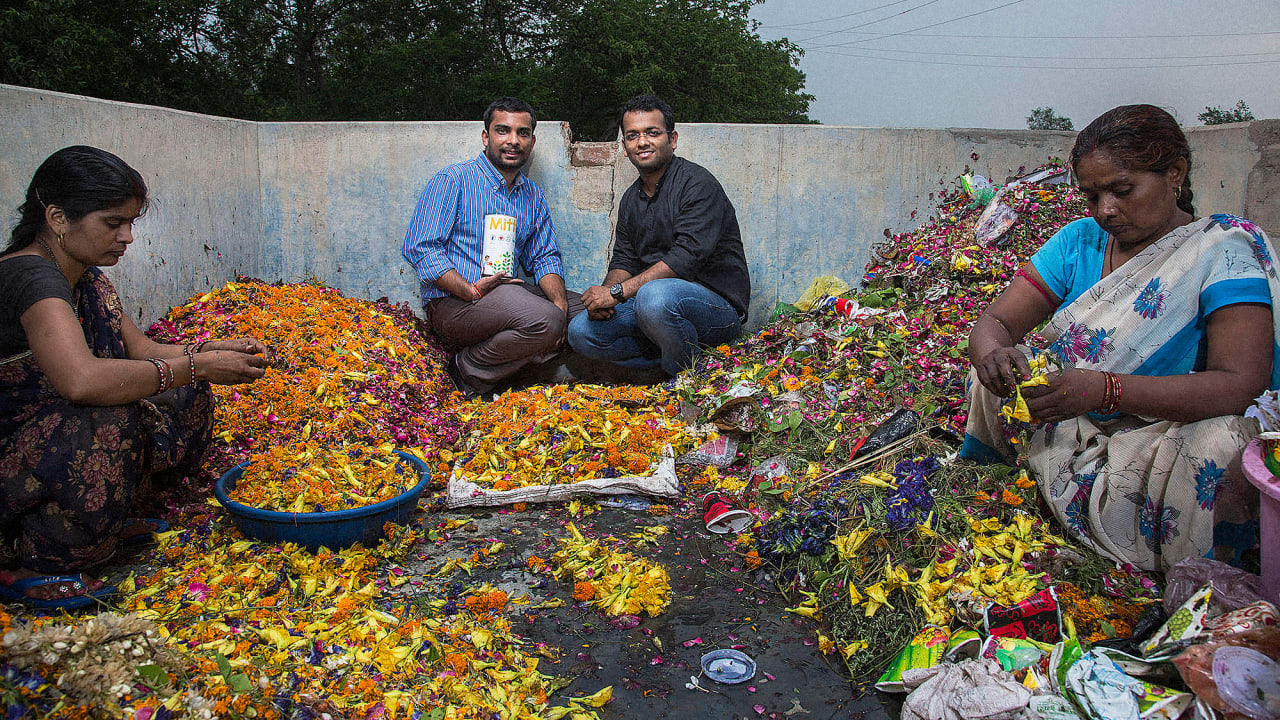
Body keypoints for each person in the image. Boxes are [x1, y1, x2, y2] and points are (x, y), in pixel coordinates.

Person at [962, 104, 1277, 572]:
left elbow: (1239, 384)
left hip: (1162, 432)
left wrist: (1106, 389)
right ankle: (1005, 493)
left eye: (1121, 190)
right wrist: (993, 355)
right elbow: (996, 323)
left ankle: (1179, 566)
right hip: (1072, 415)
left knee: (1219, 443)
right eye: (1092, 196)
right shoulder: (1079, 242)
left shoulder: (1221, 250)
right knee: (1002, 374)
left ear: (1175, 173)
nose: (1105, 210)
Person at [0, 146, 267, 609]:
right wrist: (196, 364)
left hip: (54, 436)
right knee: (112, 419)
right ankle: (31, 561)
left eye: (131, 223)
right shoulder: (31, 277)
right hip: (15, 450)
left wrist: (211, 353)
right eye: (112, 223)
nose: (126, 237)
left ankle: (106, 516)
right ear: (58, 218)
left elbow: (143, 352)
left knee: (184, 389)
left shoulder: (87, 275)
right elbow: (81, 381)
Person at [402, 97, 578, 398]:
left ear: (532, 141)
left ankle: (517, 369)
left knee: (587, 309)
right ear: (486, 137)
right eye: (503, 131)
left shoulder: (531, 194)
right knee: (544, 319)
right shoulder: (453, 180)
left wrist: (561, 307)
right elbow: (421, 248)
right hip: (454, 302)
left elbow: (544, 256)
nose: (513, 141)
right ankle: (467, 369)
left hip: (508, 296)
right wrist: (470, 290)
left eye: (522, 133)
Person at [567, 95, 749, 377]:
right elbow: (624, 260)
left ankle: (687, 378)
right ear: (625, 147)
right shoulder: (630, 199)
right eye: (632, 135)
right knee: (581, 331)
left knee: (654, 297)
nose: (642, 142)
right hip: (654, 309)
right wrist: (605, 297)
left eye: (652, 133)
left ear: (672, 139)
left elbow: (684, 259)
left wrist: (617, 293)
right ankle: (672, 363)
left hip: (716, 309)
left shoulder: (697, 185)